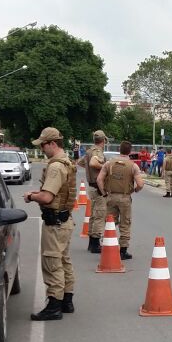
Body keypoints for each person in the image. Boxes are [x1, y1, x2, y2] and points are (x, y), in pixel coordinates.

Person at [24, 127, 77, 321]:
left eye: (43, 145)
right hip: (64, 220)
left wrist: (31, 196)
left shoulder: (56, 167)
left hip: (55, 223)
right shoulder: (67, 162)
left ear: (52, 144)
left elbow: (47, 197)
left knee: (52, 263)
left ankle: (54, 305)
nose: (43, 149)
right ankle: (66, 301)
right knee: (64, 261)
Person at [97, 140, 145, 260]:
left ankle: (107, 245)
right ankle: (123, 251)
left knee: (109, 222)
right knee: (125, 223)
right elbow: (140, 184)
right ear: (130, 151)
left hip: (111, 196)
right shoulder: (133, 166)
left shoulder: (109, 164)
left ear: (119, 149)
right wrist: (133, 191)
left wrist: (104, 193)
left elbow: (99, 180)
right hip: (125, 198)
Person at [78, 130, 108, 253]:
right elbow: (93, 163)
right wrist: (105, 167)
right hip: (98, 186)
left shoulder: (90, 151)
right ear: (103, 141)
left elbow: (80, 162)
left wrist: (90, 170)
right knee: (100, 215)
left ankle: (92, 242)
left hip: (91, 186)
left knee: (93, 215)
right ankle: (95, 243)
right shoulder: (97, 152)